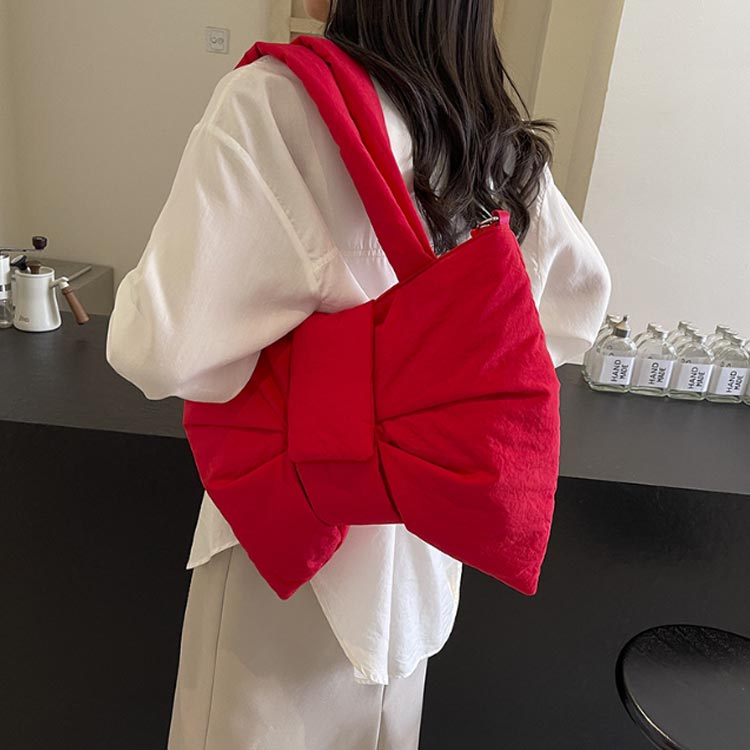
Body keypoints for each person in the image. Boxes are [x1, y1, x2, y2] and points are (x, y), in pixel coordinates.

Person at [106, 0, 611, 748]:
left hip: (287, 550)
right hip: (416, 561)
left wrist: (321, 371)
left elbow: (163, 347)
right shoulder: (487, 135)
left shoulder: (277, 102)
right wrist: (416, 371)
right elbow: (575, 307)